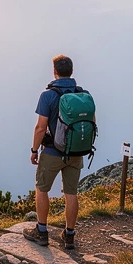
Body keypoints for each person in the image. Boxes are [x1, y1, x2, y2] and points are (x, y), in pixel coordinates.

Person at [23, 54, 85, 249]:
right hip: (76, 152)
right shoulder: (83, 95)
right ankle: (69, 236)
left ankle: (41, 232)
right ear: (72, 71)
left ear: (54, 72)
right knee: (71, 193)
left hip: (52, 152)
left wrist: (34, 150)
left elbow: (40, 128)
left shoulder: (48, 95)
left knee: (42, 189)